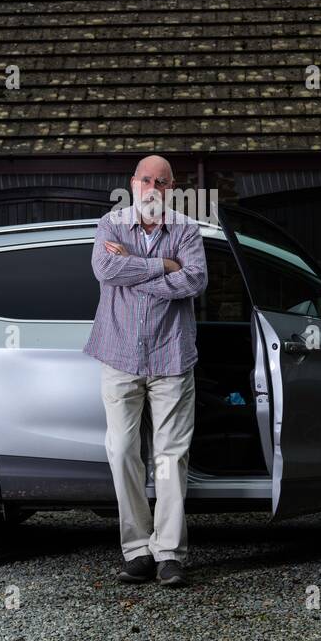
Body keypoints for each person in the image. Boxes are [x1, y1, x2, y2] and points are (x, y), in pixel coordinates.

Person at [84, 155, 208, 586]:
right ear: (133, 183)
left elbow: (193, 281)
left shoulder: (187, 230)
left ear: (172, 188)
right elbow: (104, 269)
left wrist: (132, 271)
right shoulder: (111, 226)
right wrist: (163, 265)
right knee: (121, 452)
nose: (153, 186)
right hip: (119, 355)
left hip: (172, 358)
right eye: (145, 179)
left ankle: (169, 552)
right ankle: (137, 550)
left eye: (162, 181)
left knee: (170, 458)